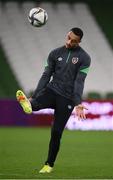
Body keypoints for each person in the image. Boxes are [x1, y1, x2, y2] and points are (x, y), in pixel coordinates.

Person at [16, 27, 91, 173]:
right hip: (52, 90)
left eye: (74, 41)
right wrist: (36, 94)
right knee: (36, 103)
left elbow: (79, 81)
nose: (69, 42)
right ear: (67, 35)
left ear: (79, 42)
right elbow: (46, 75)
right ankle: (30, 104)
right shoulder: (55, 53)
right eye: (68, 38)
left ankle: (49, 165)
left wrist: (78, 102)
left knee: (56, 132)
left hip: (67, 99)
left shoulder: (84, 58)